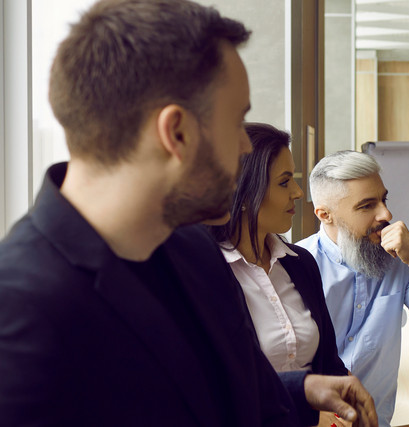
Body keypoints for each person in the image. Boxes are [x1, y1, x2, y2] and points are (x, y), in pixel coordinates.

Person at [0, 0, 375, 425]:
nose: (245, 148)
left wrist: (302, 389)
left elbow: (222, 389)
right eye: (236, 122)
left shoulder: (196, 251)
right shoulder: (19, 310)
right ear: (176, 132)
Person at [297, 150, 409, 427]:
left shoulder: (397, 260)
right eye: (367, 206)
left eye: (383, 199)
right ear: (325, 215)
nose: (386, 214)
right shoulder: (295, 268)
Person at [210, 122, 347, 377]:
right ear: (244, 192)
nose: (297, 192)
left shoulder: (301, 263)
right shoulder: (207, 274)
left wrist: (348, 405)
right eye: (284, 183)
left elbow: (329, 363)